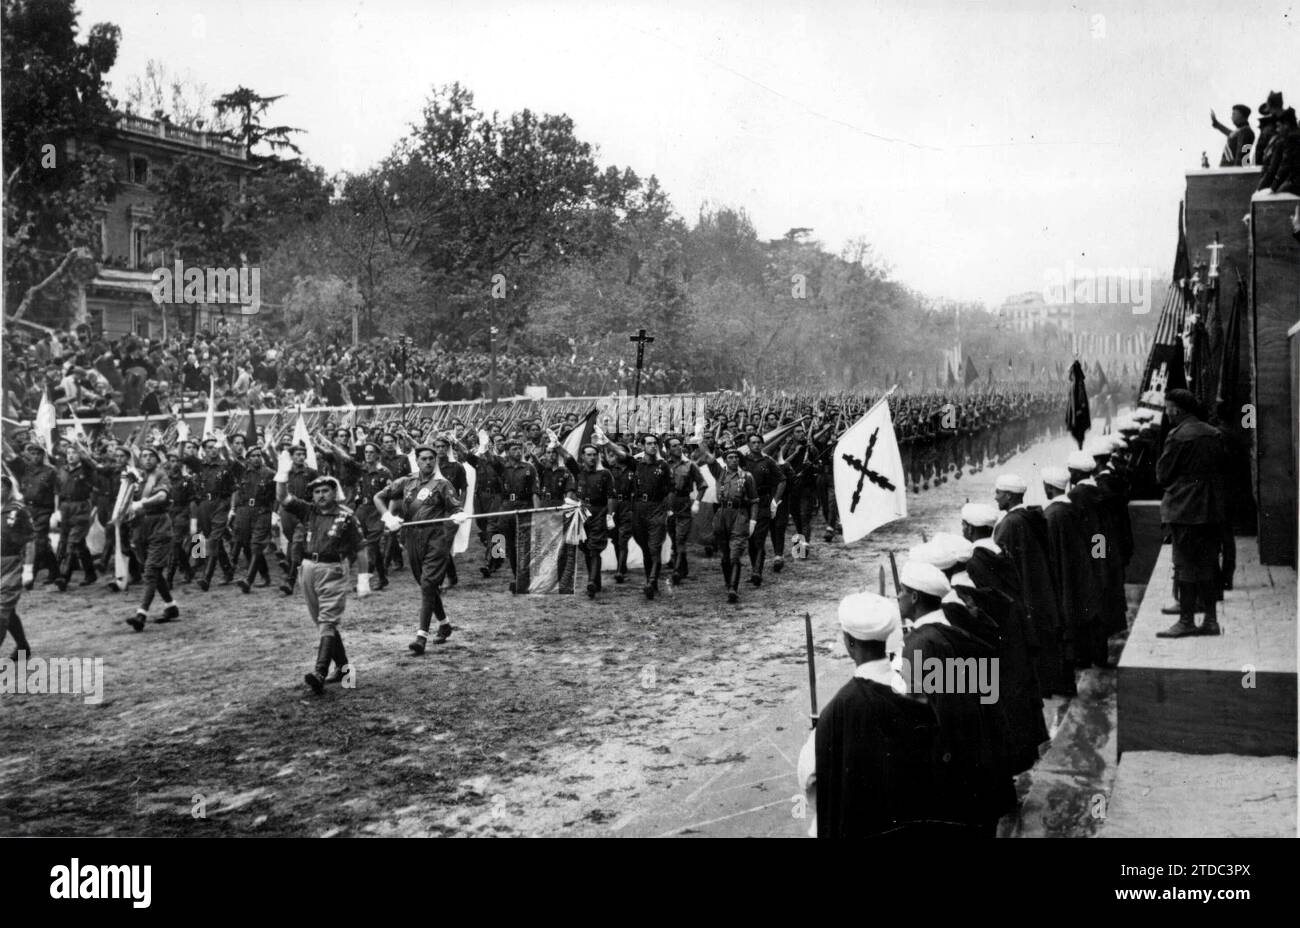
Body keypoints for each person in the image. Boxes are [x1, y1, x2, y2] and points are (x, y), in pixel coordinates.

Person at [797, 591, 940, 838]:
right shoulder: (914, 688)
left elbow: (809, 777)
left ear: (849, 643)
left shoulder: (839, 709)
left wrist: (820, 737)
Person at [896, 560, 1013, 835]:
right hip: (980, 760)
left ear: (914, 597)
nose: (897, 597)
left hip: (948, 770)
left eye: (901, 591)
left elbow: (917, 714)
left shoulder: (920, 645)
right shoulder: (956, 631)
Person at [277, 473, 363, 694]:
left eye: (326, 490)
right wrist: (283, 475)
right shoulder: (308, 510)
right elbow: (283, 498)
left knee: (327, 620)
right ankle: (345, 670)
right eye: (317, 492)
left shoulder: (347, 517)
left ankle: (320, 672)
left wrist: (363, 577)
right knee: (322, 621)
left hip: (332, 568)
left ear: (335, 493)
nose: (321, 495)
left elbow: (361, 548)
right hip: (307, 567)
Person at [376, 445, 467, 654]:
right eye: (423, 459)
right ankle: (444, 624)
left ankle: (421, 636)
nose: (427, 462)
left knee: (427, 584)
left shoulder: (443, 485)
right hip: (412, 538)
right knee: (426, 585)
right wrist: (388, 517)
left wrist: (458, 515)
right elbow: (378, 497)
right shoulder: (407, 481)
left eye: (431, 459)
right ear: (417, 461)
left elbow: (456, 508)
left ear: (435, 461)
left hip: (436, 538)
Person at [1155, 389, 1227, 638]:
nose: (1167, 413)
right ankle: (1210, 620)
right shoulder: (1214, 433)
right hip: (1212, 508)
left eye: (1168, 408)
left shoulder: (1177, 436)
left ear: (1177, 409)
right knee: (1207, 564)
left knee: (1184, 565)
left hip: (1185, 508)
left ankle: (1186, 621)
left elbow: (1163, 475)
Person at [992, 473, 1070, 697]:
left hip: (1024, 592)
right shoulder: (1032, 517)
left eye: (998, 493)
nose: (996, 498)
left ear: (1008, 495)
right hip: (1040, 589)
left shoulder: (1008, 525)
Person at [124, 446, 180, 631]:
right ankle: (170, 606)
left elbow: (162, 495)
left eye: (151, 456)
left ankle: (141, 614)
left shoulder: (160, 476)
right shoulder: (138, 477)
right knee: (153, 570)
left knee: (150, 571)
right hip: (141, 528)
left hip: (160, 526)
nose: (147, 459)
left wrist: (142, 503)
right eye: (144, 456)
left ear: (157, 459)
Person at [709, 447, 758, 603]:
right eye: (730, 457)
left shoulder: (747, 477)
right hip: (722, 514)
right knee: (724, 554)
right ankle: (728, 582)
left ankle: (733, 589)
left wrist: (753, 520)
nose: (733, 460)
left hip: (739, 514)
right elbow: (708, 458)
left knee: (735, 553)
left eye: (736, 457)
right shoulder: (720, 473)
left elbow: (754, 500)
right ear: (724, 460)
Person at [630, 434, 673, 599]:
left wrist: (668, 509)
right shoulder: (637, 465)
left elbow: (670, 489)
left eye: (655, 443)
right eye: (649, 444)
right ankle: (651, 582)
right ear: (642, 446)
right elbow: (622, 457)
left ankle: (651, 581)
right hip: (639, 508)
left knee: (655, 547)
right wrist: (607, 443)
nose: (653, 446)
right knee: (646, 549)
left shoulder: (663, 466)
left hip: (657, 507)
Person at [742, 432, 786, 586]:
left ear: (762, 444)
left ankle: (756, 572)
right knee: (751, 539)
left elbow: (782, 480)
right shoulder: (742, 460)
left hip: (763, 502)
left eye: (758, 442)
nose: (756, 445)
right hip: (746, 504)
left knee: (759, 538)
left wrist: (775, 501)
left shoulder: (768, 461)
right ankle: (755, 568)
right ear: (748, 444)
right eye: (752, 442)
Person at [663, 435, 708, 586]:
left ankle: (676, 571)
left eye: (679, 445)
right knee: (673, 536)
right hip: (668, 504)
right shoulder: (663, 465)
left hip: (683, 503)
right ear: (668, 449)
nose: (678, 448)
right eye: (673, 446)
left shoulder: (690, 465)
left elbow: (702, 485)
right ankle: (683, 566)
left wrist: (696, 503)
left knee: (680, 537)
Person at [1, 475, 35, 660]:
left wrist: (29, 569)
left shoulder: (18, 510)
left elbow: (30, 541)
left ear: (7, 488)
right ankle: (22, 646)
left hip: (11, 563)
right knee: (8, 610)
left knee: (1, 611)